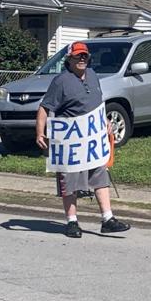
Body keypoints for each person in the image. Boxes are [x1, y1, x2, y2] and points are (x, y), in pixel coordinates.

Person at [35, 41, 130, 238]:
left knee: (100, 175)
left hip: (93, 140)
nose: (81, 59)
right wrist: (40, 133)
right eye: (77, 56)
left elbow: (97, 104)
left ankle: (108, 219)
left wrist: (105, 123)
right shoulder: (61, 81)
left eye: (84, 55)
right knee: (69, 180)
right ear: (69, 59)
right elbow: (45, 108)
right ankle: (71, 222)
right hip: (70, 142)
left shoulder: (94, 76)